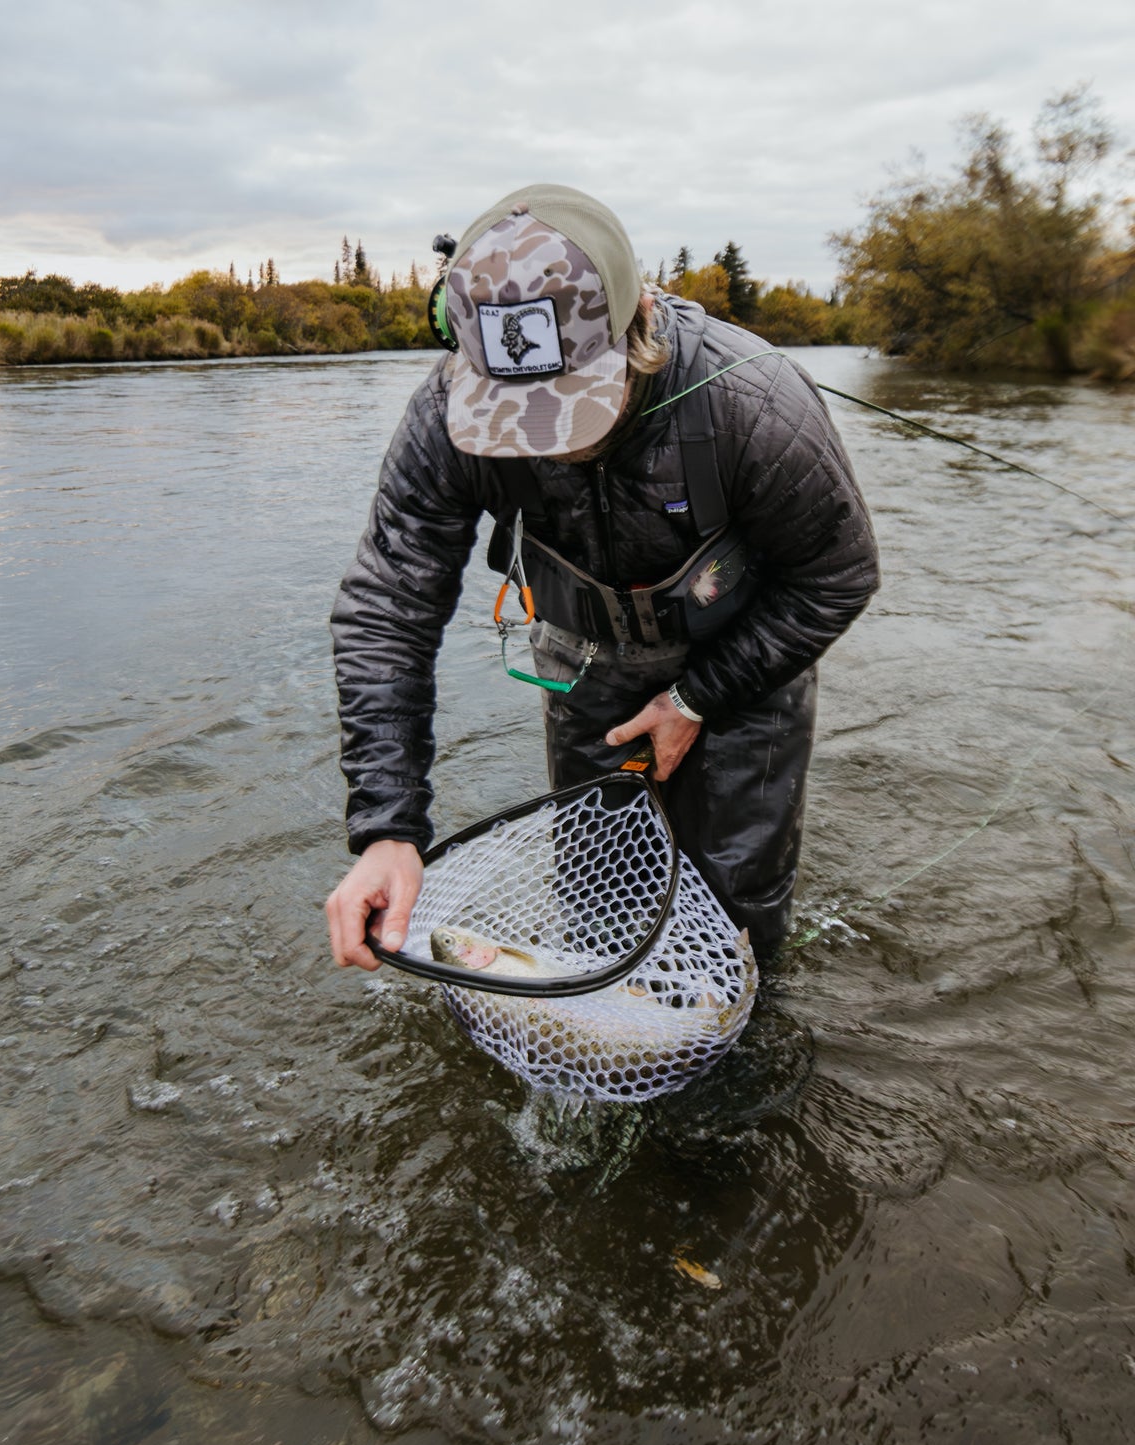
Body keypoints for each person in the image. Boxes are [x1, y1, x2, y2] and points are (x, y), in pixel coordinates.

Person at [326, 184, 879, 973]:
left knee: (734, 925)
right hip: (586, 666)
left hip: (746, 666)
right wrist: (388, 828)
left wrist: (694, 700)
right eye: (515, 416)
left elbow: (837, 577)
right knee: (596, 915)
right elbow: (388, 608)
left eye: (568, 409)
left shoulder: (753, 404)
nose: (545, 444)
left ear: (635, 334)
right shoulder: (446, 414)